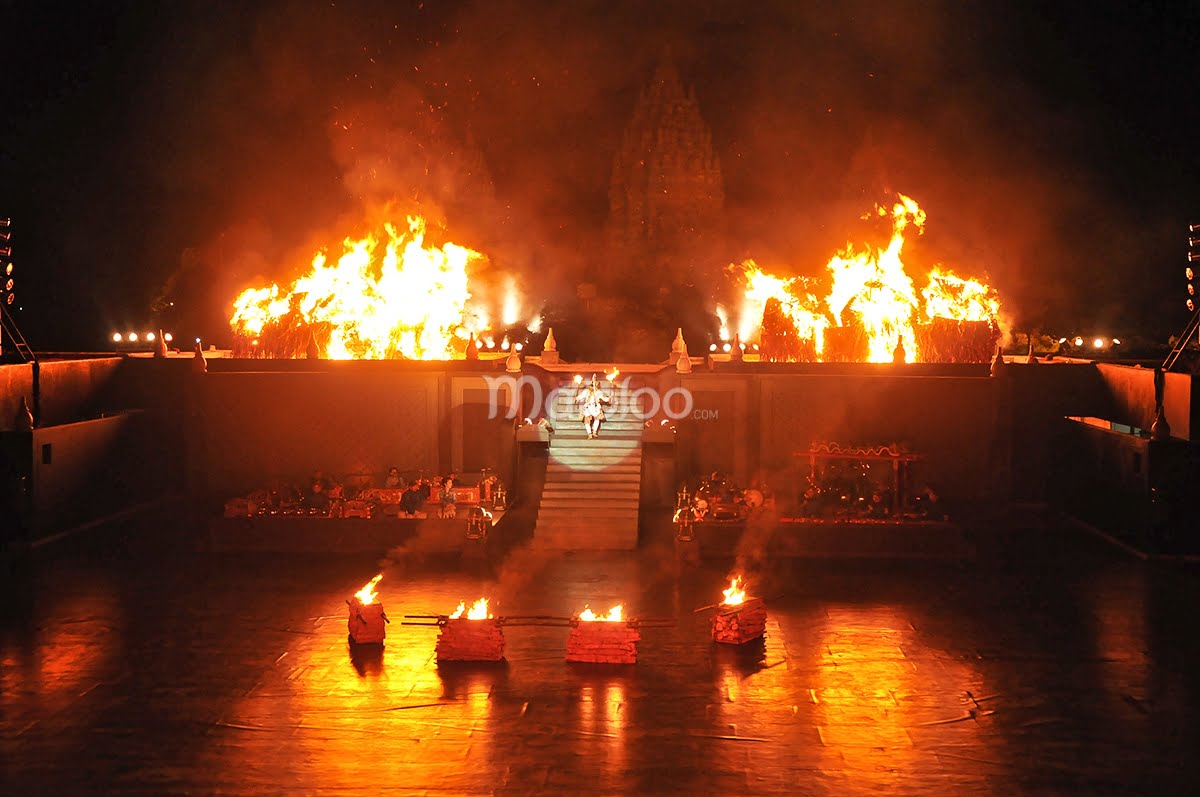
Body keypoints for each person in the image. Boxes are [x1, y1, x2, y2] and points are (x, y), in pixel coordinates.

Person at [575, 375, 611, 439]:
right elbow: (579, 397)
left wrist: (609, 398)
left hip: (595, 407)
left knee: (596, 419)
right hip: (589, 407)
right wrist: (577, 398)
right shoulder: (586, 391)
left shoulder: (599, 392)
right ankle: (590, 433)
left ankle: (593, 432)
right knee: (587, 421)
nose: (592, 387)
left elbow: (606, 399)